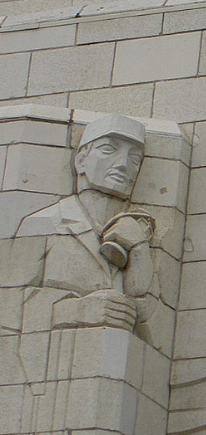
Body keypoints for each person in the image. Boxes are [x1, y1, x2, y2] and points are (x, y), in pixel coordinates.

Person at [16, 113, 156, 332]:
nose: (123, 165)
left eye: (135, 159)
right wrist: (77, 310)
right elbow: (10, 305)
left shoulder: (136, 232)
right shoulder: (43, 224)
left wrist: (139, 250)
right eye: (109, 150)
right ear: (81, 160)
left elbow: (149, 320)